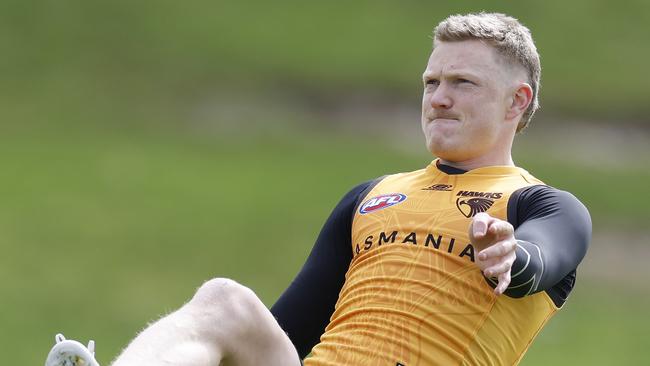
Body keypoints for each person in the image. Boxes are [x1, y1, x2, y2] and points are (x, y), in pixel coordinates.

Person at [45, 12, 591, 366]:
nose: (439, 98)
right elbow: (288, 332)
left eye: (462, 83)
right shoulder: (370, 198)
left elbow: (542, 257)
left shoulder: (541, 204)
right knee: (226, 302)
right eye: (431, 82)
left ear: (517, 101)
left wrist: (510, 256)